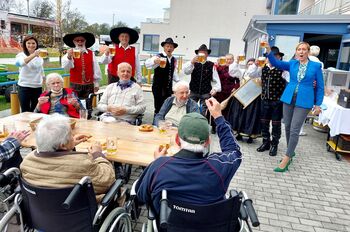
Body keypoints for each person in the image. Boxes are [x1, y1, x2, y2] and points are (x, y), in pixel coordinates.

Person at [135, 97, 242, 214]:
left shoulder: (158, 166)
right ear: (208, 141)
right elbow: (234, 151)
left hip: (168, 225)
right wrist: (218, 117)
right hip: (211, 224)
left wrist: (160, 162)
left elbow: (141, 196)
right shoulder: (219, 166)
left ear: (177, 139)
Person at [20, 114, 115, 202]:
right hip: (80, 213)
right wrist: (97, 154)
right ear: (62, 145)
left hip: (42, 213)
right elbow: (107, 180)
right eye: (71, 135)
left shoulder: (27, 162)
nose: (73, 136)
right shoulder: (82, 163)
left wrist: (70, 145)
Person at [266, 42, 324, 172]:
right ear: (296, 52)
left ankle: (287, 157)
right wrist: (268, 51)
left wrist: (318, 104)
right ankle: (290, 151)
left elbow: (320, 87)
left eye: (304, 49)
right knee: (287, 125)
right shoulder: (292, 63)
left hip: (304, 101)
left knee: (294, 129)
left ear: (308, 52)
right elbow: (276, 63)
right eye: (299, 49)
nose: (301, 52)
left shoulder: (316, 66)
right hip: (288, 98)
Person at [256, 46, 288, 156]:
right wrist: (256, 65)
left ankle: (274, 145)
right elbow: (251, 75)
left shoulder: (283, 70)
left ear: (279, 57)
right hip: (264, 100)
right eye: (271, 56)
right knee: (264, 123)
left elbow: (290, 81)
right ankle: (266, 142)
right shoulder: (262, 68)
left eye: (275, 56)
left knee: (276, 124)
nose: (273, 58)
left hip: (277, 102)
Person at [226, 58, 261, 143]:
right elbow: (232, 71)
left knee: (251, 117)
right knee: (240, 116)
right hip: (242, 97)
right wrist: (237, 61)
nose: (251, 66)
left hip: (253, 99)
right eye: (249, 64)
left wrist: (257, 66)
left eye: (252, 64)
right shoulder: (243, 72)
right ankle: (239, 133)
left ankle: (250, 135)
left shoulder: (259, 74)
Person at [183, 44, 221, 116]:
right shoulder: (193, 64)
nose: (202, 54)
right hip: (193, 91)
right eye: (200, 52)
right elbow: (186, 72)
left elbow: (216, 80)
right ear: (197, 54)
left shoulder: (211, 65)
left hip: (206, 92)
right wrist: (191, 62)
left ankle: (200, 124)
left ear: (207, 54)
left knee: (203, 112)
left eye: (204, 52)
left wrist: (215, 89)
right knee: (190, 109)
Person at [62, 32, 102, 99]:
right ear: (74, 42)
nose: (80, 42)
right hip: (75, 85)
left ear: (85, 42)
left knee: (88, 105)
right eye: (77, 40)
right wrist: (69, 57)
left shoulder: (91, 53)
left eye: (82, 40)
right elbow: (66, 67)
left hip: (89, 85)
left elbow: (96, 68)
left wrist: (96, 83)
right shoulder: (70, 53)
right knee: (75, 105)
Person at [145, 38, 180, 115]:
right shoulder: (158, 56)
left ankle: (163, 123)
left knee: (166, 106)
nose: (169, 48)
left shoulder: (174, 59)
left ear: (173, 48)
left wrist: (180, 83)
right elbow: (147, 64)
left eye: (171, 47)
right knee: (158, 106)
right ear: (164, 47)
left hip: (168, 88)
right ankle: (156, 122)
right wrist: (154, 61)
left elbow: (173, 73)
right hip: (158, 87)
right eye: (167, 46)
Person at [15, 35, 45, 112]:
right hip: (24, 87)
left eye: (33, 43)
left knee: (36, 111)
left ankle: (35, 124)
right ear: (25, 44)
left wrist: (44, 83)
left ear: (36, 44)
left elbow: (41, 70)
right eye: (28, 43)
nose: (31, 45)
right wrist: (33, 55)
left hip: (37, 87)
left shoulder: (40, 57)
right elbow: (19, 63)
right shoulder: (21, 55)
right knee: (25, 111)